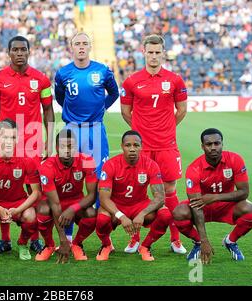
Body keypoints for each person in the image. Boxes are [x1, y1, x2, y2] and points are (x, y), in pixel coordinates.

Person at [0, 35, 54, 254]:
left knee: (34, 190)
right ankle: (5, 240)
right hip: (7, 142)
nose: (19, 53)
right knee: (5, 189)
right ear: (8, 53)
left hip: (33, 141)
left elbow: (49, 110)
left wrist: (50, 140)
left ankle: (33, 237)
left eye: (23, 49)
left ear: (29, 51)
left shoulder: (41, 79)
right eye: (15, 49)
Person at [120, 34, 187, 254]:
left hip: (167, 146)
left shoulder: (175, 80)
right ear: (144, 52)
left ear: (163, 53)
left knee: (169, 190)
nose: (154, 56)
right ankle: (135, 239)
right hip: (143, 147)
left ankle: (176, 239)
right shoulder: (131, 81)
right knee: (140, 192)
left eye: (158, 52)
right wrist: (142, 133)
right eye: (150, 52)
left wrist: (166, 129)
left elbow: (182, 110)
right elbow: (126, 112)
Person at [54, 32, 119, 242]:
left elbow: (114, 93)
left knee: (101, 179)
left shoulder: (102, 71)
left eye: (84, 43)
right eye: (77, 44)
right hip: (72, 130)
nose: (81, 47)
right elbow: (60, 98)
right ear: (71, 47)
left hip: (95, 130)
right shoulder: (63, 73)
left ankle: (103, 236)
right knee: (70, 181)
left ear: (90, 46)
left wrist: (101, 110)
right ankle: (69, 233)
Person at [173, 128, 252, 264]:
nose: (213, 148)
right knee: (179, 212)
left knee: (250, 210)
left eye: (217, 143)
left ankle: (230, 241)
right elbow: (195, 205)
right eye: (209, 144)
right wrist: (204, 240)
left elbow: (244, 192)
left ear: (222, 144)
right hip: (203, 207)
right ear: (202, 146)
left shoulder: (235, 159)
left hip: (226, 206)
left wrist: (215, 197)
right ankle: (198, 243)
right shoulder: (194, 168)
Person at [96, 130, 172, 261]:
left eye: (136, 145)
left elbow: (160, 197)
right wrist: (121, 216)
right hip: (117, 206)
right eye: (128, 145)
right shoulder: (110, 165)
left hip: (140, 204)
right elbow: (103, 198)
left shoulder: (151, 165)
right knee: (102, 219)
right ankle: (106, 245)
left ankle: (145, 246)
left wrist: (142, 214)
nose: (132, 149)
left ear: (141, 147)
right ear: (122, 146)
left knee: (165, 215)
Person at [0, 119, 41, 261]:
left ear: (17, 139)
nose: (8, 142)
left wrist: (18, 210)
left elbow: (36, 192)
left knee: (31, 215)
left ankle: (23, 244)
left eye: (12, 138)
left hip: (17, 202)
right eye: (5, 137)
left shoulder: (26, 160)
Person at [38, 129, 97, 263]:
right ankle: (49, 245)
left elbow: (92, 195)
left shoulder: (87, 160)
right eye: (63, 147)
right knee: (42, 210)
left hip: (76, 201)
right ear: (57, 148)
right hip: (54, 202)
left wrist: (73, 209)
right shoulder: (47, 166)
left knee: (91, 214)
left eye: (70, 147)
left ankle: (76, 244)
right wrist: (63, 239)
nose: (67, 150)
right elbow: (54, 203)